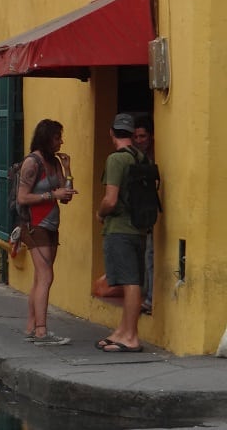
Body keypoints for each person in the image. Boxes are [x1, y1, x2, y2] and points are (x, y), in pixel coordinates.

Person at [15, 119, 77, 346]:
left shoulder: (54, 163)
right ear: (46, 138)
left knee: (40, 277)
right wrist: (52, 196)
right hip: (35, 225)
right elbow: (22, 197)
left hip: (51, 224)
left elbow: (66, 195)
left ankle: (32, 326)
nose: (61, 141)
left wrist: (68, 170)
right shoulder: (32, 163)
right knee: (46, 276)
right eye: (57, 137)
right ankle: (41, 331)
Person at [95, 113, 148, 353]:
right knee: (132, 281)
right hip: (137, 228)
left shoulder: (116, 160)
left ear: (112, 133)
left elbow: (111, 199)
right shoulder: (140, 157)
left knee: (130, 282)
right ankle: (123, 331)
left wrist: (100, 213)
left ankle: (131, 336)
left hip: (120, 229)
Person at [134, 114, 156, 315]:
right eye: (136, 137)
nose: (139, 141)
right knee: (148, 254)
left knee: (150, 254)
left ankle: (150, 298)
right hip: (146, 213)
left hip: (152, 211)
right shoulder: (139, 158)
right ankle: (148, 296)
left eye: (143, 136)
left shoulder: (153, 158)